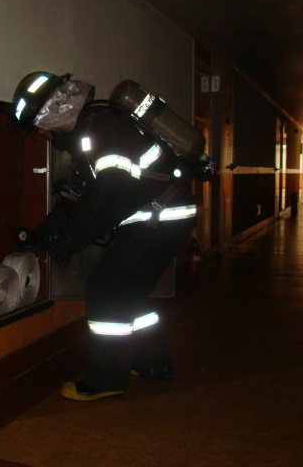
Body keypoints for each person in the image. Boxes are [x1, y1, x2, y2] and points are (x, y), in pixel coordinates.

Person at [12, 71, 202, 401]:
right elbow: (84, 194)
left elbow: (111, 197)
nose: (41, 134)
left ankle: (107, 379)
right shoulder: (91, 132)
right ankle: (154, 363)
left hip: (160, 220)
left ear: (53, 112)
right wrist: (49, 233)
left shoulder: (102, 130)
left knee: (105, 292)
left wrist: (70, 240)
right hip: (161, 218)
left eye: (39, 125)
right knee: (128, 293)